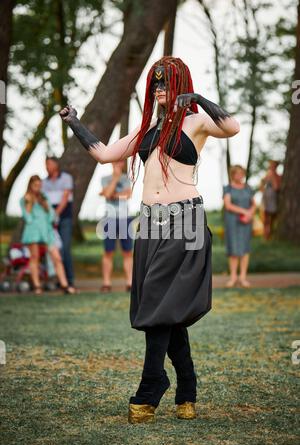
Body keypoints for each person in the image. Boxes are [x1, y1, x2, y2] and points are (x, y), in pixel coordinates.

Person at [59, 56, 240, 423]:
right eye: (155, 83)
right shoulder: (146, 130)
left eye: (166, 82)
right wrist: (74, 122)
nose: (159, 88)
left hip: (184, 224)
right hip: (150, 227)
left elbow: (232, 126)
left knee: (158, 305)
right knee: (164, 310)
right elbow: (104, 152)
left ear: (180, 84)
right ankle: (186, 387)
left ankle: (151, 385)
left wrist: (196, 97)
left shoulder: (196, 123)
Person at [20, 175, 75, 294]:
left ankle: (65, 285)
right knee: (34, 258)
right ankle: (37, 286)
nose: (38, 188)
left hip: (47, 231)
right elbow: (27, 218)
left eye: (40, 185)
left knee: (57, 257)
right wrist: (29, 203)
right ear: (30, 185)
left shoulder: (44, 197)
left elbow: (51, 214)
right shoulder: (25, 199)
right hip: (33, 231)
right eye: (35, 185)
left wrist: (50, 219)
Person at [99, 159, 133, 293]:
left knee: (128, 252)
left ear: (123, 164)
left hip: (125, 218)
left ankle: (129, 282)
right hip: (110, 218)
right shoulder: (105, 178)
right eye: (115, 162)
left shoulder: (126, 179)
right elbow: (107, 195)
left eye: (120, 162)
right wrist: (115, 179)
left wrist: (112, 194)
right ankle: (106, 283)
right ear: (112, 164)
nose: (118, 165)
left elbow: (127, 195)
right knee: (108, 252)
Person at [42, 156, 76, 291]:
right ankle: (58, 280)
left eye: (49, 164)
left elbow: (65, 198)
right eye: (46, 164)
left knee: (65, 248)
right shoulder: (44, 182)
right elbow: (44, 202)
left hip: (64, 218)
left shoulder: (66, 178)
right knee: (53, 249)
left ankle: (70, 280)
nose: (47, 167)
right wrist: (50, 217)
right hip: (49, 220)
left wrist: (55, 214)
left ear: (56, 165)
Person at [223, 165, 256, 288]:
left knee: (245, 248)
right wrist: (244, 211)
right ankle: (233, 277)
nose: (240, 176)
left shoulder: (248, 188)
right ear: (233, 175)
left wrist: (250, 213)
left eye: (242, 173)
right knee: (233, 249)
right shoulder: (228, 189)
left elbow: (253, 204)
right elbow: (228, 205)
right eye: (238, 173)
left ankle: (243, 277)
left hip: (246, 222)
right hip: (232, 221)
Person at [259, 159, 281, 240]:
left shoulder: (277, 175)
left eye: (273, 165)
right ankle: (266, 236)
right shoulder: (268, 175)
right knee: (266, 218)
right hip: (268, 198)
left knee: (272, 218)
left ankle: (269, 235)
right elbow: (261, 188)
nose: (271, 167)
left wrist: (272, 178)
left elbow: (276, 187)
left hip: (273, 198)